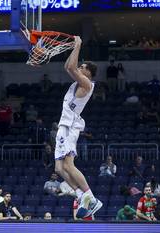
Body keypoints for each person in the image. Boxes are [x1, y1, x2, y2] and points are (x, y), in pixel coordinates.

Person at [53, 36, 102, 219]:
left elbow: (72, 67)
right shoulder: (79, 81)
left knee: (68, 164)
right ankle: (81, 195)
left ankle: (90, 196)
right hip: (64, 125)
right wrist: (73, 48)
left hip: (70, 125)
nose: (79, 67)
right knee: (58, 168)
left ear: (88, 73)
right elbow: (68, 67)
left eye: (83, 67)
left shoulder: (87, 84)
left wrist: (78, 44)